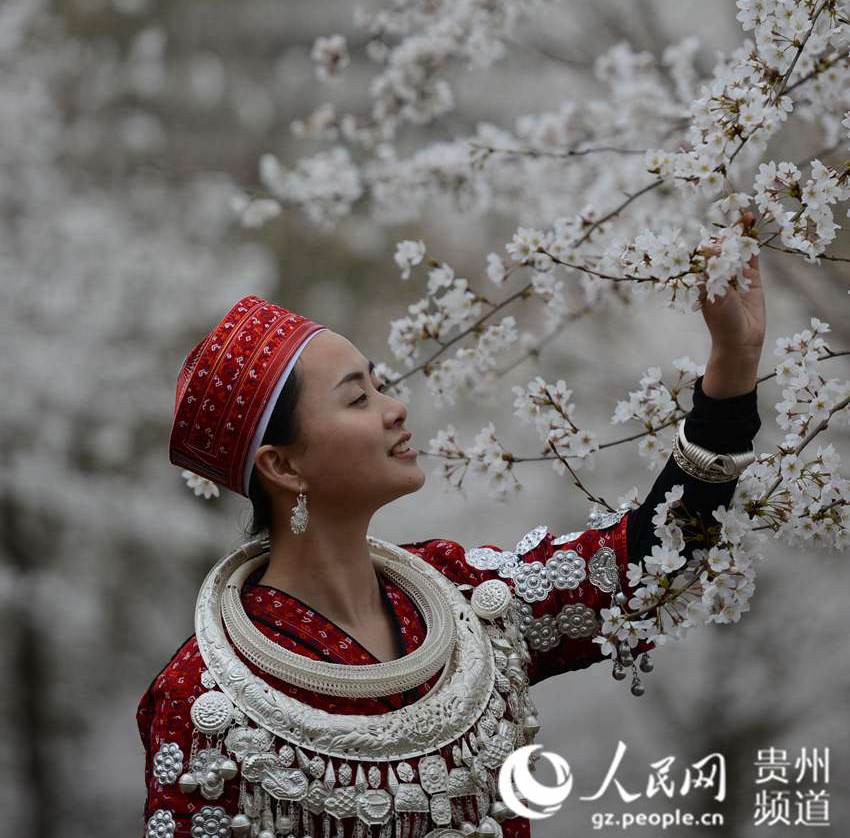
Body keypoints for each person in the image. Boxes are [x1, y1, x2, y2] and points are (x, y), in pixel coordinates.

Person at [137, 222, 764, 838]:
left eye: (381, 384)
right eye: (358, 398)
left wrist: (733, 366)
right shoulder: (205, 697)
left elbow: (647, 564)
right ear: (283, 465)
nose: (395, 407)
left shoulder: (466, 602)